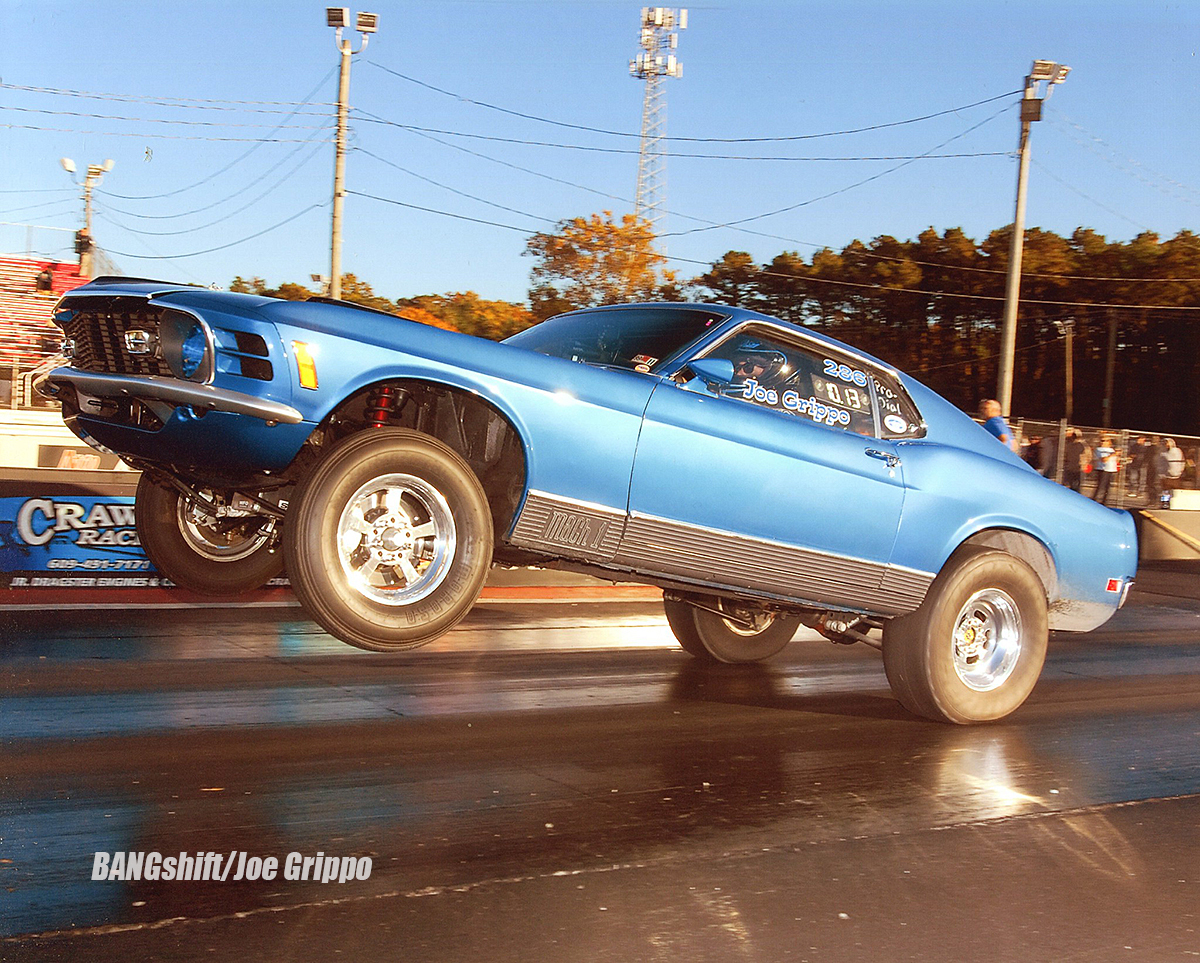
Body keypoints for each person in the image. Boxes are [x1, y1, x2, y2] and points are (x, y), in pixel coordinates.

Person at [1092, 434, 1119, 505]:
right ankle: (1095, 499)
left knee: (1108, 487)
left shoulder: (1111, 450)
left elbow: (1115, 460)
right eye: (1102, 441)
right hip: (1103, 469)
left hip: (1111, 469)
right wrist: (1113, 454)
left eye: (1106, 441)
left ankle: (1104, 501)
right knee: (1101, 486)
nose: (1103, 442)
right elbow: (1104, 459)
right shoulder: (1099, 449)